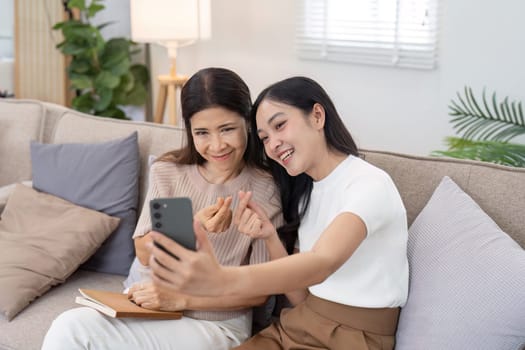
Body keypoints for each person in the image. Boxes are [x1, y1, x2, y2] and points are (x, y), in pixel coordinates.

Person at [145, 76, 409, 350]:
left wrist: (222, 279)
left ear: (317, 116)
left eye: (280, 125)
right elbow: (302, 297)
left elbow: (323, 263)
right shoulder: (306, 192)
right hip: (297, 325)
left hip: (353, 338)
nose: (272, 145)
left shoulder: (369, 183)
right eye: (264, 138)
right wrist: (270, 237)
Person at [41, 67, 283, 350]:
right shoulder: (168, 171)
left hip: (213, 322)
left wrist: (180, 300)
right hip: (147, 307)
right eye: (202, 132)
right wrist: (193, 226)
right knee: (69, 327)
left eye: (227, 129)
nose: (217, 145)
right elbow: (143, 252)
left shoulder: (265, 188)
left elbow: (258, 293)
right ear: (190, 131)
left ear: (248, 123)